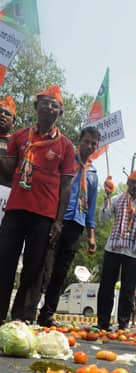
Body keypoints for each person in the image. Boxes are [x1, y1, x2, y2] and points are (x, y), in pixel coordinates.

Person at [0, 85, 74, 324]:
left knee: (34, 269)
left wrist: (59, 221)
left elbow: (65, 187)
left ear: (60, 113)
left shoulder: (66, 146)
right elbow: (9, 171)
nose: (49, 107)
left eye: (55, 105)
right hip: (15, 209)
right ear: (36, 107)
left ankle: (22, 317)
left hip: (44, 215)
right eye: (45, 103)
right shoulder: (19, 137)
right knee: (4, 261)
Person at [37, 126, 100, 327]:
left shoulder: (93, 173)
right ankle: (28, 309)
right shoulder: (66, 160)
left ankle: (47, 315)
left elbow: (91, 205)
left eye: (94, 143)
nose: (89, 146)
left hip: (77, 224)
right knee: (42, 265)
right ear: (79, 140)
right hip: (56, 218)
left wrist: (91, 235)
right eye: (87, 141)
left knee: (61, 271)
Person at [97, 170, 136, 331]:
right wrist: (106, 196)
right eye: (133, 183)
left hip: (133, 252)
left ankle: (123, 324)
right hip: (113, 248)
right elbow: (104, 217)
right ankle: (103, 322)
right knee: (106, 286)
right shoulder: (117, 199)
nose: (135, 186)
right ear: (128, 183)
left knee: (128, 290)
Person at [0, 96, 16, 224]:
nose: (2, 115)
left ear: (13, 121)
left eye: (7, 114)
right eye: (0, 112)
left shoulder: (17, 144)